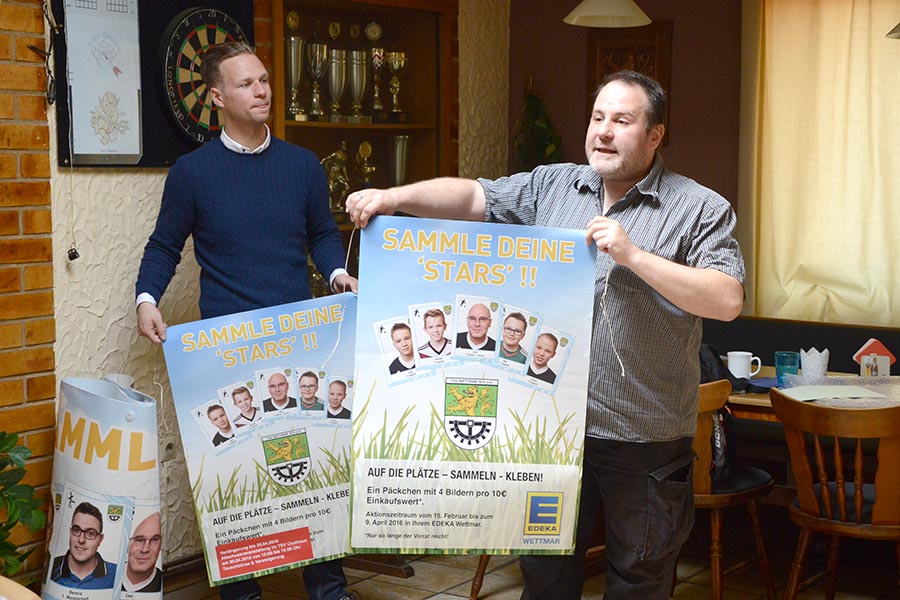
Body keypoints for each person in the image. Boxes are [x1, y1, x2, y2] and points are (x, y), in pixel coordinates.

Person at [346, 70, 744, 599]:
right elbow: (473, 197)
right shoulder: (552, 187)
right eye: (598, 117)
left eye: (622, 120)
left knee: (641, 581)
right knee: (545, 579)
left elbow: (726, 298)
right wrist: (394, 197)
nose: (604, 131)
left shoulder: (699, 207)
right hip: (550, 436)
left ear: (655, 135)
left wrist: (633, 255)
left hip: (644, 440)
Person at [135, 41, 359, 600]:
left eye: (264, 80)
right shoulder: (192, 173)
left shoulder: (302, 165)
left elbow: (322, 234)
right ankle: (242, 594)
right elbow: (164, 245)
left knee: (316, 468)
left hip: (299, 343)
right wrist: (146, 299)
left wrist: (336, 274)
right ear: (217, 97)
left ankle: (329, 590)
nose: (262, 90)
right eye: (246, 84)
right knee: (234, 477)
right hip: (228, 350)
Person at [50, 502, 117, 589]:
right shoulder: (52, 566)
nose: (81, 540)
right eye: (76, 530)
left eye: (90, 533)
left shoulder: (115, 574)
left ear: (100, 539)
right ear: (70, 532)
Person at [122, 512, 163, 593]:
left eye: (154, 540)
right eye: (139, 540)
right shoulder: (108, 575)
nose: (145, 549)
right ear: (127, 544)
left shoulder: (164, 582)